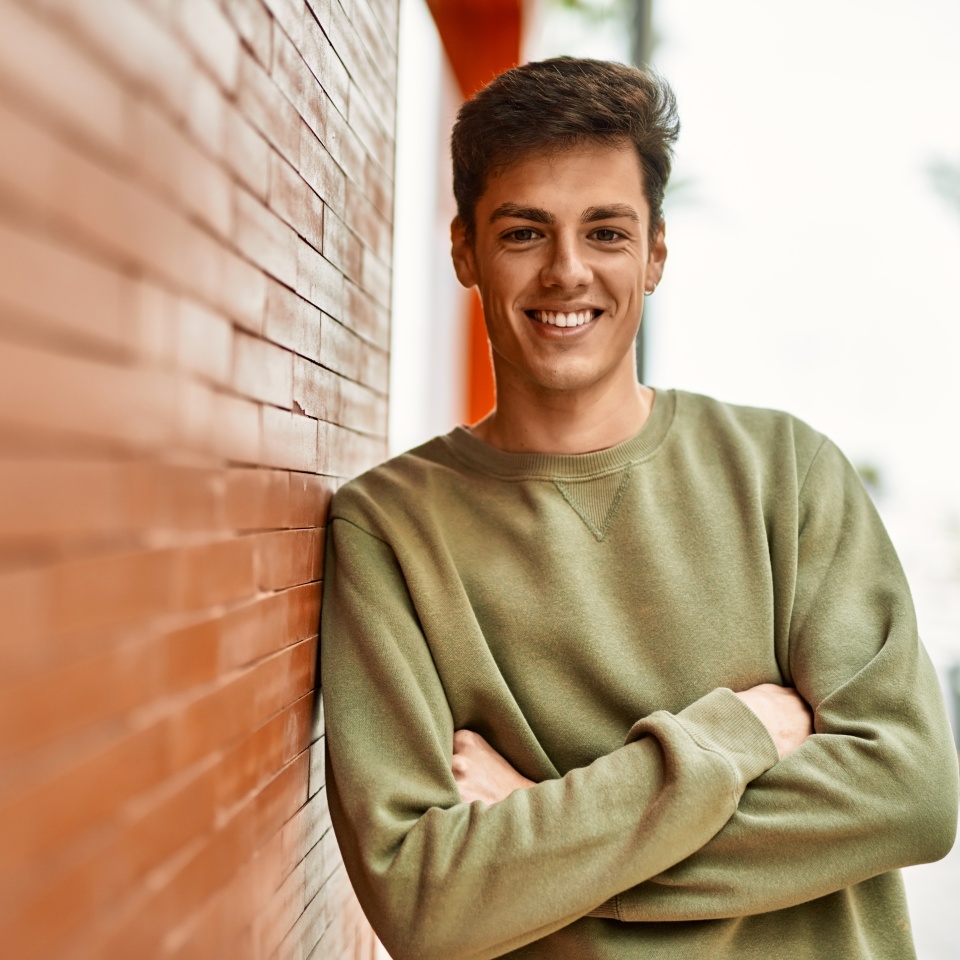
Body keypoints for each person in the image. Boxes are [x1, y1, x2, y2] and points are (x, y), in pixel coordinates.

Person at [320, 57, 958, 960]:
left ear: (655, 253)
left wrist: (542, 850)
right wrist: (736, 737)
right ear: (464, 249)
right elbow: (429, 900)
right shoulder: (389, 530)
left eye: (608, 232)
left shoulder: (787, 473)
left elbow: (911, 798)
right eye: (524, 233)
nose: (567, 271)